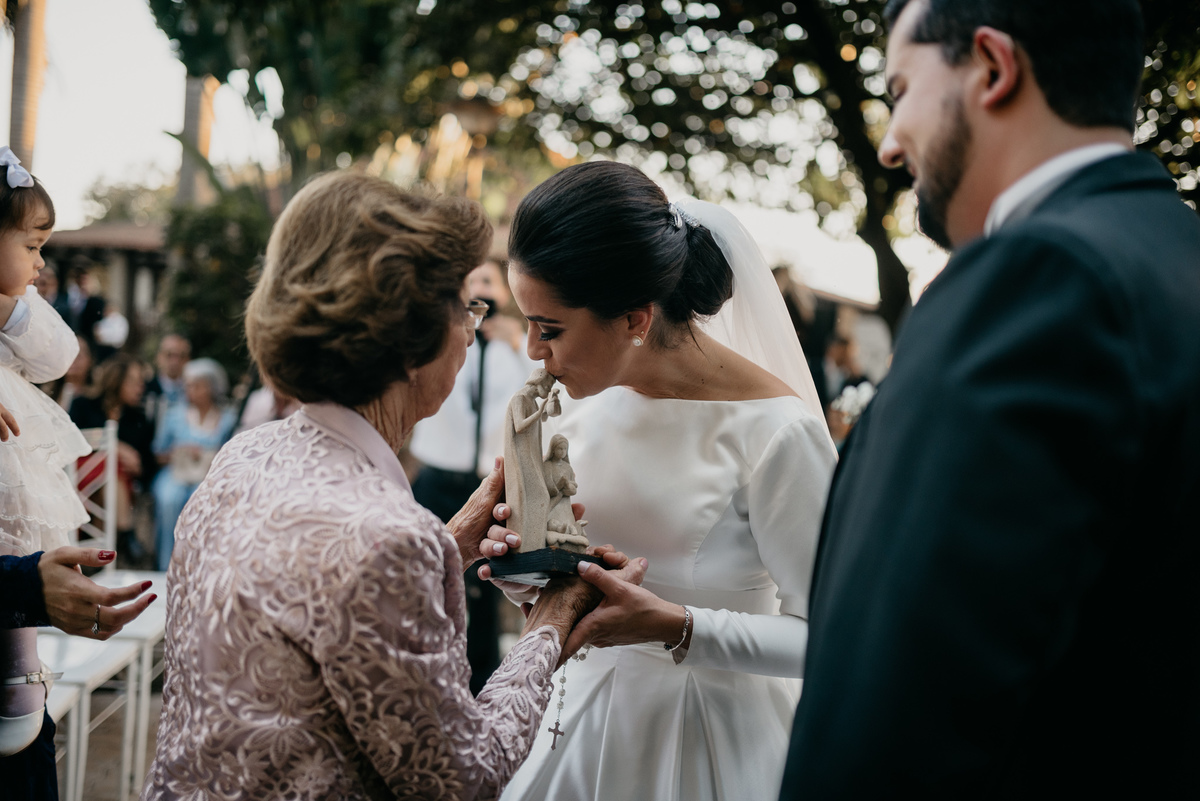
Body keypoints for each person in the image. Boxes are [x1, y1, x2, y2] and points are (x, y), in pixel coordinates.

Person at [781, 1, 1200, 797]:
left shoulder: (1038, 278)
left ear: (993, 67)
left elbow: (897, 696)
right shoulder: (1176, 258)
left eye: (901, 90)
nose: (890, 144)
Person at [140, 171, 644, 800]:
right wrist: (552, 621)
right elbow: (463, 779)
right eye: (464, 308)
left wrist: (451, 543)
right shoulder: (388, 540)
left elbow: (327, 604)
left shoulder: (245, 455)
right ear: (410, 346)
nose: (471, 330)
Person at [478, 161, 837, 801]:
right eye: (526, 321)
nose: (532, 350)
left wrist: (677, 625)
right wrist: (530, 569)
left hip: (709, 736)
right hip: (576, 722)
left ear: (635, 320)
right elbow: (580, 577)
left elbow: (837, 638)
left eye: (550, 328)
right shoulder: (575, 404)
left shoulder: (777, 433)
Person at [0, 145, 102, 799]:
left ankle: (20, 670)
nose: (41, 262)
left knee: (17, 547)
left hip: (11, 474)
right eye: (31, 245)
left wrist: (9, 309)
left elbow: (60, 354)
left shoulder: (21, 307)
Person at [409, 256, 538, 693]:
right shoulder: (444, 338)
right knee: (427, 581)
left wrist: (516, 342)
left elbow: (537, 402)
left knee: (482, 591)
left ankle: (479, 684)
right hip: (438, 478)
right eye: (472, 282)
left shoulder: (519, 348)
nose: (480, 288)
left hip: (488, 482)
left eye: (488, 281)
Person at [69, 354, 157, 566]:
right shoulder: (83, 405)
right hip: (78, 480)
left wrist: (138, 465)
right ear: (117, 380)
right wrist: (116, 449)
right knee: (108, 464)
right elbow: (71, 442)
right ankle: (124, 536)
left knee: (111, 472)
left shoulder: (139, 418)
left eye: (142, 382)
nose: (140, 388)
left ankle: (99, 557)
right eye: (134, 381)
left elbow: (147, 464)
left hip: (118, 488)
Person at [150, 357, 235, 571]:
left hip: (209, 475)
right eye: (188, 385)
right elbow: (158, 453)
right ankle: (166, 565)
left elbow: (233, 452)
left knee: (203, 499)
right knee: (169, 498)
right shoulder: (174, 415)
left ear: (211, 388)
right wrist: (179, 452)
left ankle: (200, 567)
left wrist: (208, 454)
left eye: (197, 385)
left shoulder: (227, 418)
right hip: (176, 472)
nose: (191, 390)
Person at [142, 334, 189, 433]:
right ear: (158, 357)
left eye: (181, 356)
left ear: (188, 359)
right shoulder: (145, 390)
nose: (175, 361)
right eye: (169, 355)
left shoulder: (194, 391)